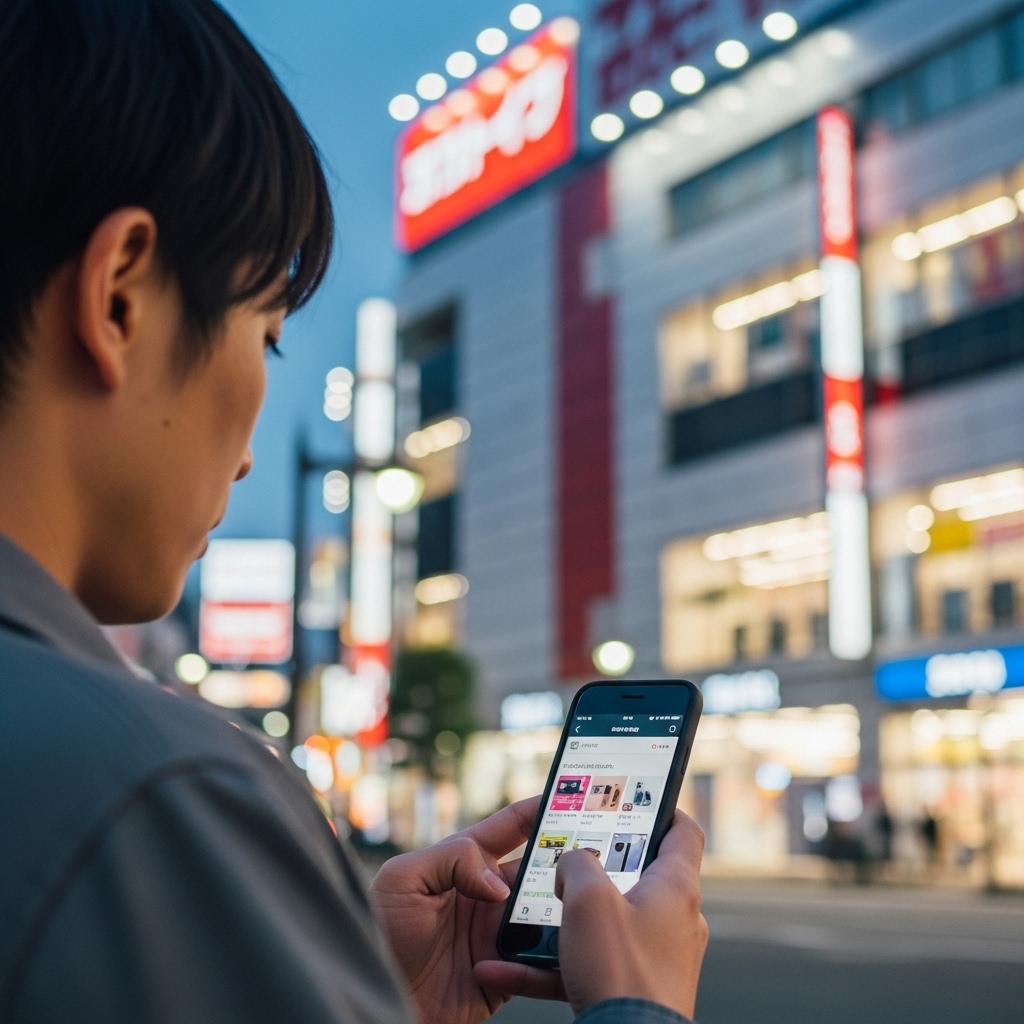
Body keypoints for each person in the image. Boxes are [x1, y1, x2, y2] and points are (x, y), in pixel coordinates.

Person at [0, 1, 709, 1022]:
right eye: (268, 337)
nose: (247, 456)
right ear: (120, 297)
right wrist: (636, 1006)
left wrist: (329, 979)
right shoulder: (159, 800)